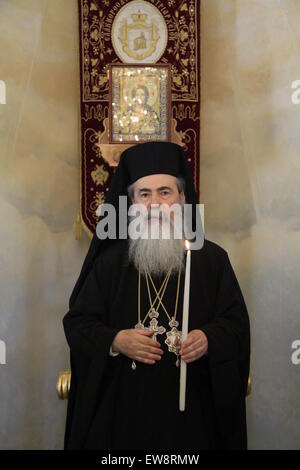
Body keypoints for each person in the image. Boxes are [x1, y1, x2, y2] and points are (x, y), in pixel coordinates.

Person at [63, 141, 250, 450]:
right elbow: (78, 324)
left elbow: (236, 325)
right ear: (131, 203)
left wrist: (209, 338)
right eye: (144, 195)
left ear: (182, 199)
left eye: (165, 193)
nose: (154, 205)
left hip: (194, 418)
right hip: (122, 417)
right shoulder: (110, 264)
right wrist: (115, 341)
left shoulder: (212, 260)